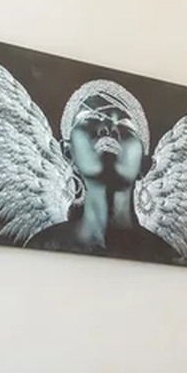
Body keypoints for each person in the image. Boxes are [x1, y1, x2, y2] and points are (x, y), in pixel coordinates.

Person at [25, 79, 174, 259]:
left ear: (144, 166)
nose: (108, 128)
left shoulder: (165, 255)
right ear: (68, 152)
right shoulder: (44, 244)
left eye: (126, 125)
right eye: (90, 118)